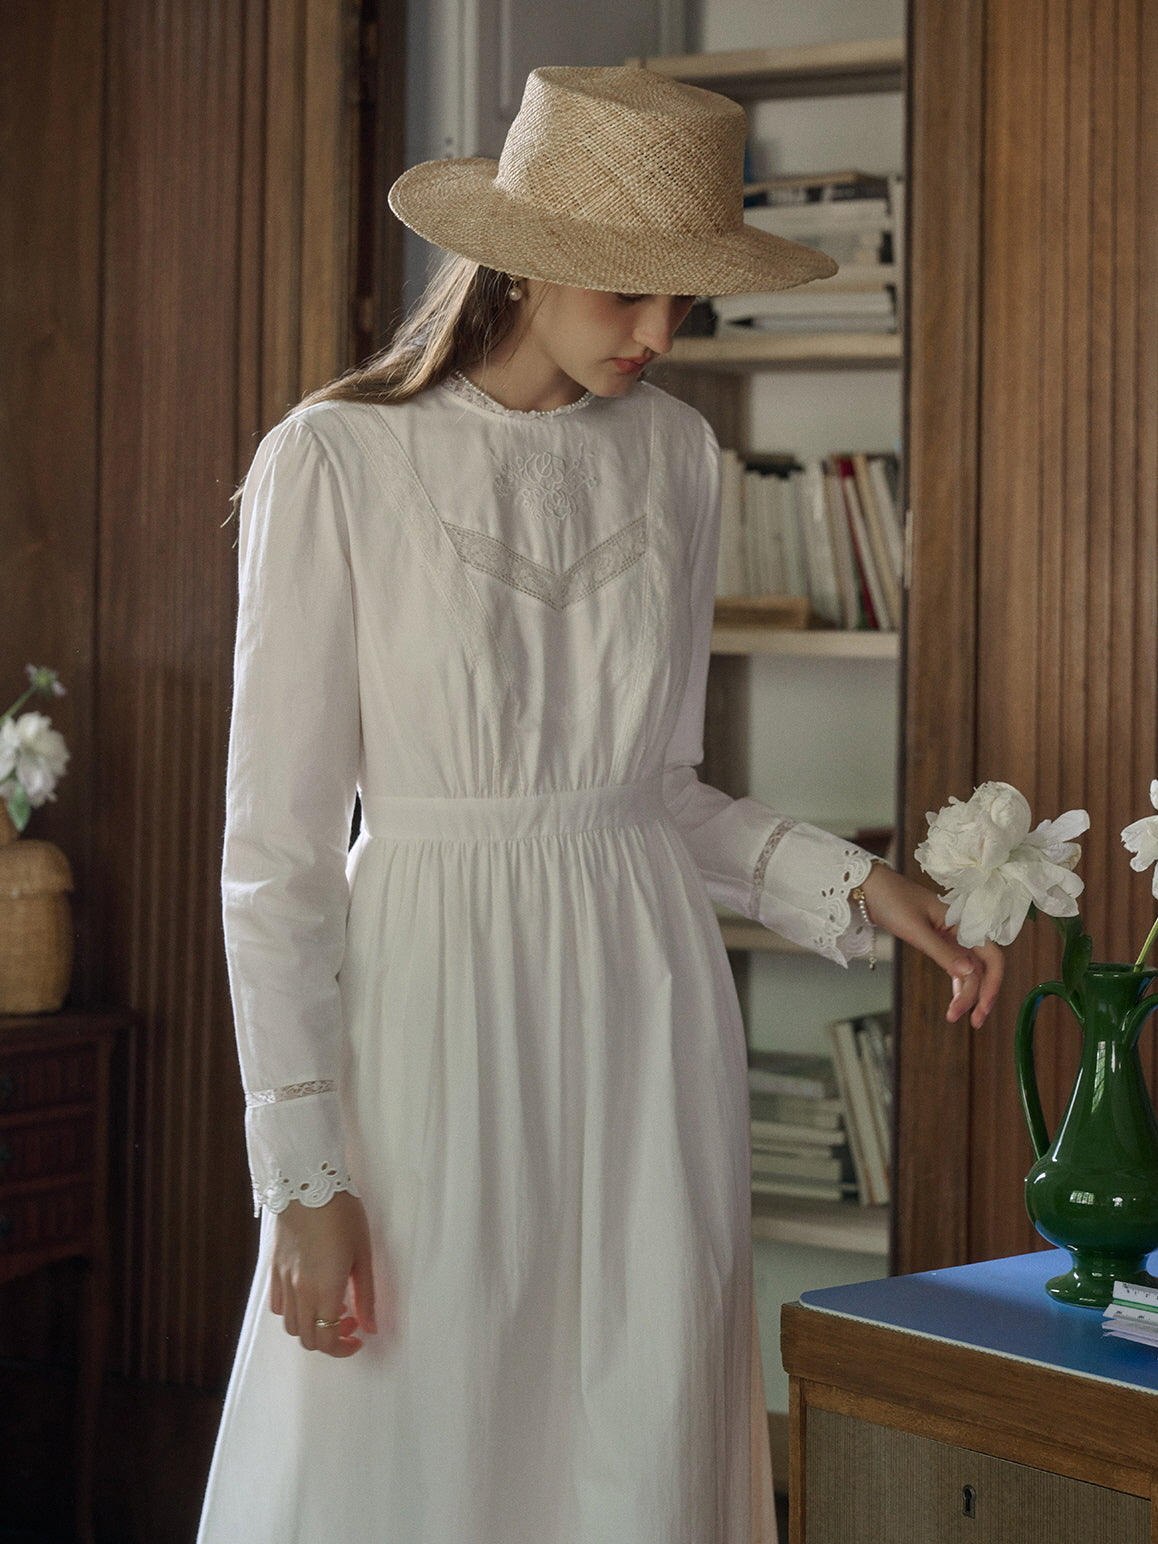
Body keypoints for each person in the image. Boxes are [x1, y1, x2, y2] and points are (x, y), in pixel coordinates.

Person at [197, 65, 1002, 1544]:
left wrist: (851, 882)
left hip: (642, 1016)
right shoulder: (337, 459)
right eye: (632, 292)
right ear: (517, 258)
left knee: (630, 1425)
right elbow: (276, 857)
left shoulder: (678, 458)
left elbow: (654, 790)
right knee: (418, 1428)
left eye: (682, 302)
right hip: (429, 1017)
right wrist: (302, 1179)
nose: (657, 336)